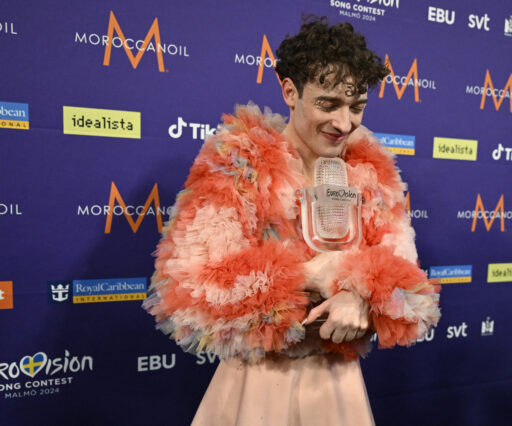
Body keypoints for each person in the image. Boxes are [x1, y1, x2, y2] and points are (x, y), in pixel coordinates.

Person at [143, 17, 441, 426]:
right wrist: (311, 275)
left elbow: (412, 290)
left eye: (356, 107)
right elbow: (189, 289)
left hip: (338, 388)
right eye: (328, 104)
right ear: (289, 91)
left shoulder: (369, 171)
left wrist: (361, 292)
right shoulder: (239, 163)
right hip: (257, 386)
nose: (344, 123)